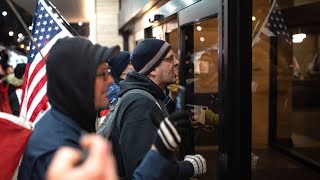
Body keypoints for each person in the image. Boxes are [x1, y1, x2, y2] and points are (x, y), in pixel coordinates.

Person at [17, 37, 120, 180]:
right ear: (78, 81)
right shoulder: (58, 152)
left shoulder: (66, 122)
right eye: (103, 73)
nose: (110, 81)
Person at [109, 38, 205, 179]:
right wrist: (188, 167)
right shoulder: (140, 104)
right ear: (153, 69)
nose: (177, 62)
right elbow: (144, 172)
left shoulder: (147, 97)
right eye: (170, 59)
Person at [47, 112, 206, 180]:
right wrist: (186, 168)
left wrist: (160, 147)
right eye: (102, 74)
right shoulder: (57, 143)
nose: (109, 80)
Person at [96, 51, 134, 129]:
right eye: (130, 63)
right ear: (123, 69)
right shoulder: (116, 92)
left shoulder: (118, 86)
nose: (134, 65)